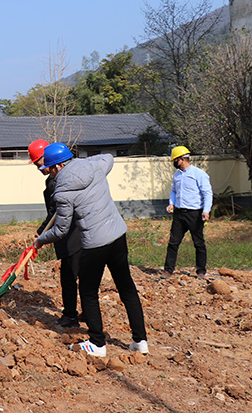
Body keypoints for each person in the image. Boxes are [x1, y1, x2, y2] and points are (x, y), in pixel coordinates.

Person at [34, 143, 148, 357]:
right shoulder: (95, 167)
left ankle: (97, 343)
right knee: (127, 288)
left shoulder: (61, 191)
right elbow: (108, 157)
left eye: (49, 169)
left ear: (58, 167)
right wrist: (86, 161)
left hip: (95, 243)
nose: (49, 173)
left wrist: (40, 240)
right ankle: (140, 340)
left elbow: (60, 230)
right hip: (117, 235)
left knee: (87, 292)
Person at [28, 139, 82, 328]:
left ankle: (70, 316)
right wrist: (41, 231)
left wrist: (42, 233)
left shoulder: (57, 182)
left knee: (69, 277)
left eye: (38, 162)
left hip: (71, 235)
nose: (38, 167)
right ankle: (84, 313)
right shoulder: (53, 180)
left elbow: (55, 214)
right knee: (79, 276)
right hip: (74, 232)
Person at [164, 146, 213, 280]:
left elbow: (207, 193)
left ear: (181, 159)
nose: (174, 163)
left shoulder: (199, 174)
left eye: (175, 160)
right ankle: (168, 270)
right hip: (179, 214)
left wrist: (206, 211)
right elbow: (174, 191)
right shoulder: (177, 175)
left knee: (198, 243)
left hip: (194, 214)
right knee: (173, 242)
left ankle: (201, 271)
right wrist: (171, 203)